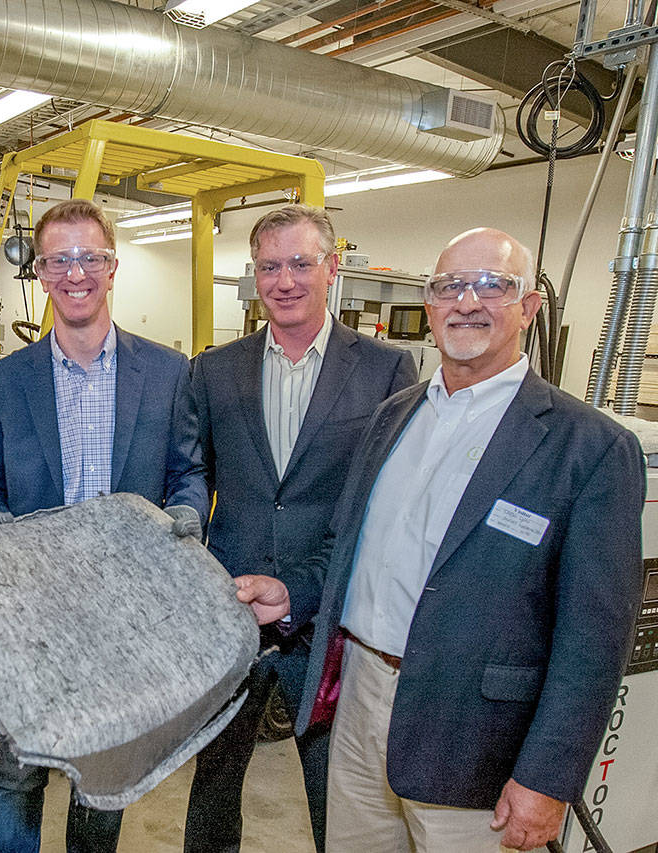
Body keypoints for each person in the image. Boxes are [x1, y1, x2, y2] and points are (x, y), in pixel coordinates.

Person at [236, 227, 644, 852]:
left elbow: (594, 639)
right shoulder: (394, 416)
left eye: (492, 285)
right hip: (358, 703)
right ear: (429, 305)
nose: (467, 302)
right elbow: (351, 548)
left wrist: (547, 778)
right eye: (449, 286)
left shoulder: (589, 447)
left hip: (474, 737)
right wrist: (292, 593)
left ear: (529, 307)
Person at [0, 198, 209, 853]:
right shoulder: (3, 382)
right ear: (41, 273)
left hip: (124, 613)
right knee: (19, 771)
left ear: (112, 267)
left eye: (89, 258)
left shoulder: (167, 373)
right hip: (31, 611)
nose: (76, 273)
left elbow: (187, 471)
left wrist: (187, 513)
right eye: (59, 260)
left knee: (104, 774)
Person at [183, 204, 417, 853]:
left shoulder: (385, 370)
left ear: (331, 268)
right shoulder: (214, 369)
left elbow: (385, 505)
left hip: (328, 618)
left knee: (335, 787)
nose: (284, 281)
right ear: (254, 274)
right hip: (232, 610)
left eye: (300, 263)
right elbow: (192, 474)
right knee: (213, 780)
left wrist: (305, 589)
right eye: (269, 267)